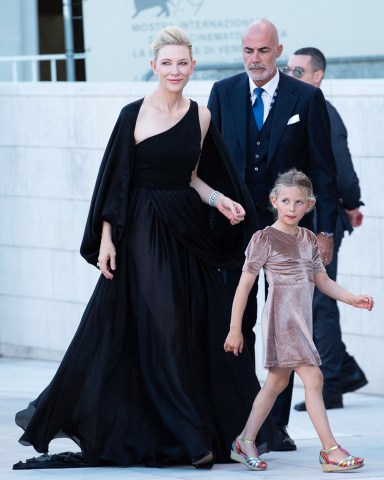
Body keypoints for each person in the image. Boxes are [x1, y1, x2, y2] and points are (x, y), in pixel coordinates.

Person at [14, 26, 279, 470]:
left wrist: (221, 200)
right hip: (141, 230)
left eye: (182, 63)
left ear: (192, 67)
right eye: (166, 63)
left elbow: (192, 177)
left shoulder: (200, 116)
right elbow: (113, 183)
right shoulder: (131, 114)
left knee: (199, 326)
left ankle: (205, 429)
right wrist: (105, 241)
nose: (174, 71)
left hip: (185, 229)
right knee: (165, 328)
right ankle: (192, 437)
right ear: (154, 66)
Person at [207, 18, 339, 451]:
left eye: (263, 51)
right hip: (233, 231)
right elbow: (209, 166)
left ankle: (275, 428)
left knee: (287, 325)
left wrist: (324, 230)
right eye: (248, 51)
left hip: (290, 235)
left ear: (278, 51)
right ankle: (242, 420)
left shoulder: (307, 98)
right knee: (237, 322)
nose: (255, 60)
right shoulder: (223, 93)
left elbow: (323, 167)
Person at [224, 168, 374, 473]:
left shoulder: (308, 239)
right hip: (281, 321)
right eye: (286, 201)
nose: (292, 208)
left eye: (299, 202)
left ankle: (244, 440)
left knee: (276, 383)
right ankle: (330, 451)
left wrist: (351, 298)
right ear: (274, 201)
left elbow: (322, 280)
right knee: (314, 378)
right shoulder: (263, 239)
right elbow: (244, 285)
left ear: (310, 205)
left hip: (300, 320)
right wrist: (235, 328)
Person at [283, 47, 367, 412]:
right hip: (304, 221)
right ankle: (344, 371)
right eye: (289, 71)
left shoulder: (323, 111)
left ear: (318, 76)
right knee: (314, 302)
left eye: (299, 71)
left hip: (323, 223)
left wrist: (351, 204)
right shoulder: (297, 108)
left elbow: (340, 169)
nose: (292, 76)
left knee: (320, 304)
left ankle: (331, 384)